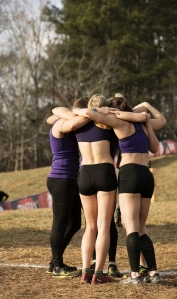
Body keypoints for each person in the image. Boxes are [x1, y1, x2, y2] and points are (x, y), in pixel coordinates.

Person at [72, 95, 165, 285]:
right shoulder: (145, 124)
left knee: (129, 225)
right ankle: (153, 272)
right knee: (141, 227)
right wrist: (146, 106)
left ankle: (134, 275)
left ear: (117, 112)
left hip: (129, 174)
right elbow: (160, 129)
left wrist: (101, 112)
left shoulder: (120, 123)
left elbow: (92, 115)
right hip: (147, 174)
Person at [54, 94, 146, 284]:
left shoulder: (77, 123)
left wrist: (82, 112)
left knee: (90, 226)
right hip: (105, 171)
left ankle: (86, 271)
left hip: (85, 173)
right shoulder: (109, 123)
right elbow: (138, 117)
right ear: (105, 108)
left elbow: (55, 113)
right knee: (104, 226)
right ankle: (98, 274)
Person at [46, 97, 90, 278]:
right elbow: (63, 118)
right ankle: (57, 266)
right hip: (60, 178)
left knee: (75, 223)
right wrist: (91, 113)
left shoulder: (66, 120)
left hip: (70, 179)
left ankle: (54, 261)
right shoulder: (62, 123)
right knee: (60, 223)